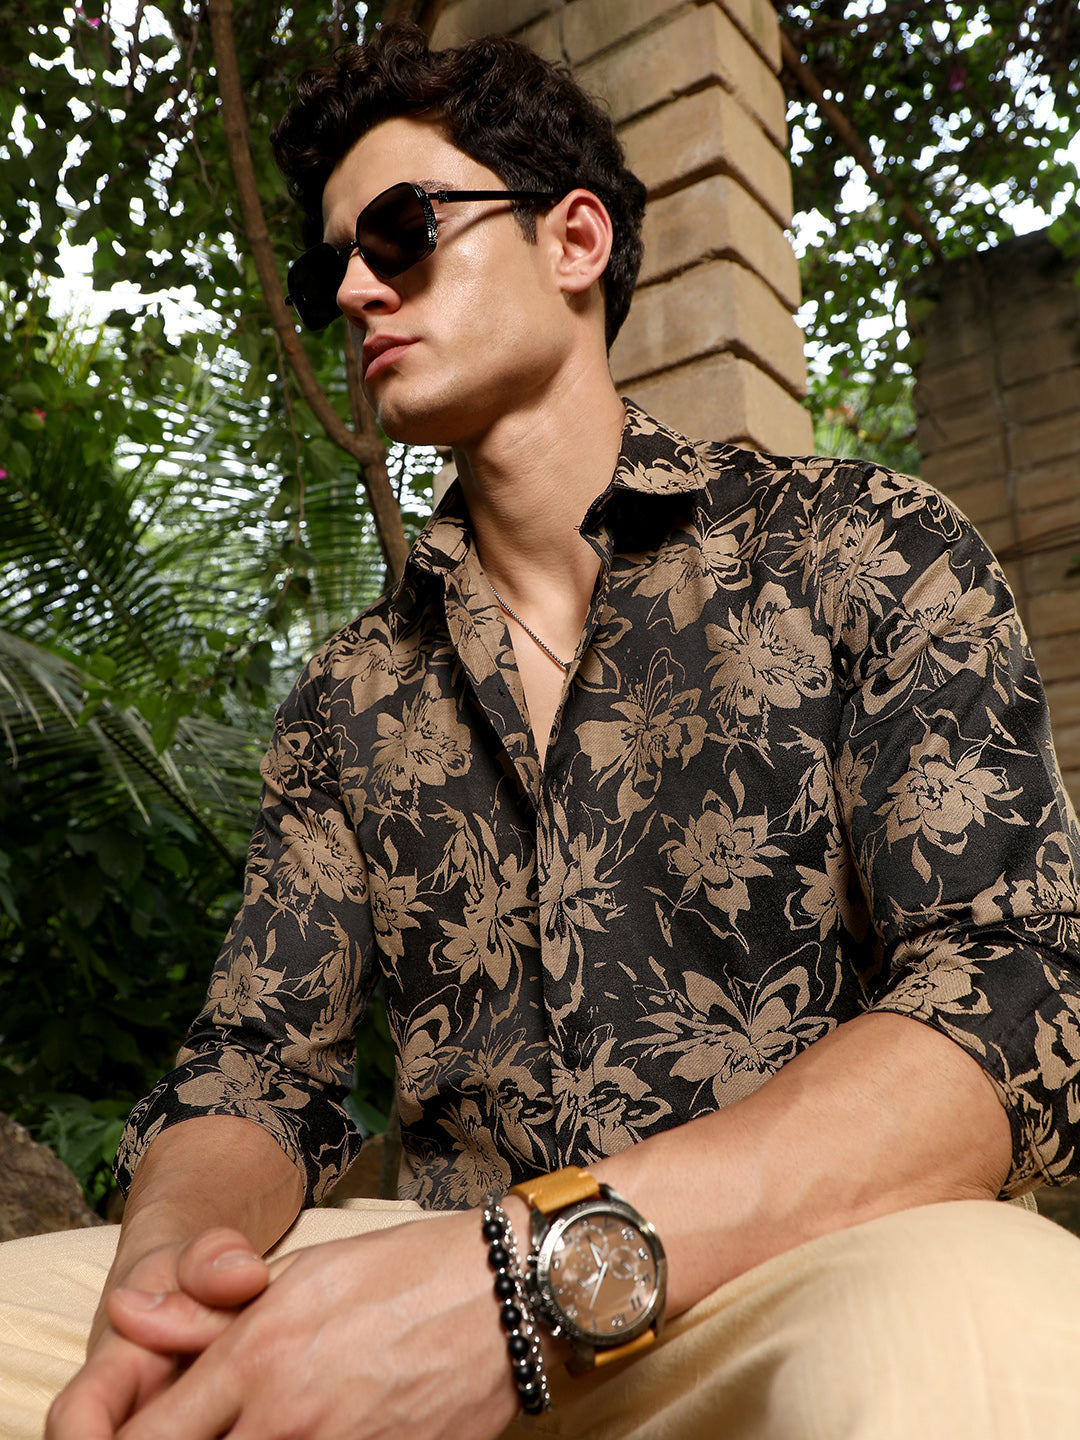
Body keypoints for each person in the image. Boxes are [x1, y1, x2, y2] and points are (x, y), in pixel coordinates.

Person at [5, 20, 1080, 1440]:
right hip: (427, 1281)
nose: (353, 289)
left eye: (400, 232)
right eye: (329, 269)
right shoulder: (346, 697)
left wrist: (525, 1279)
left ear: (575, 241)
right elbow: (255, 1069)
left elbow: (1017, 992)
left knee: (987, 1322)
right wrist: (162, 1280)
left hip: (792, 1272)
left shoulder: (863, 548)